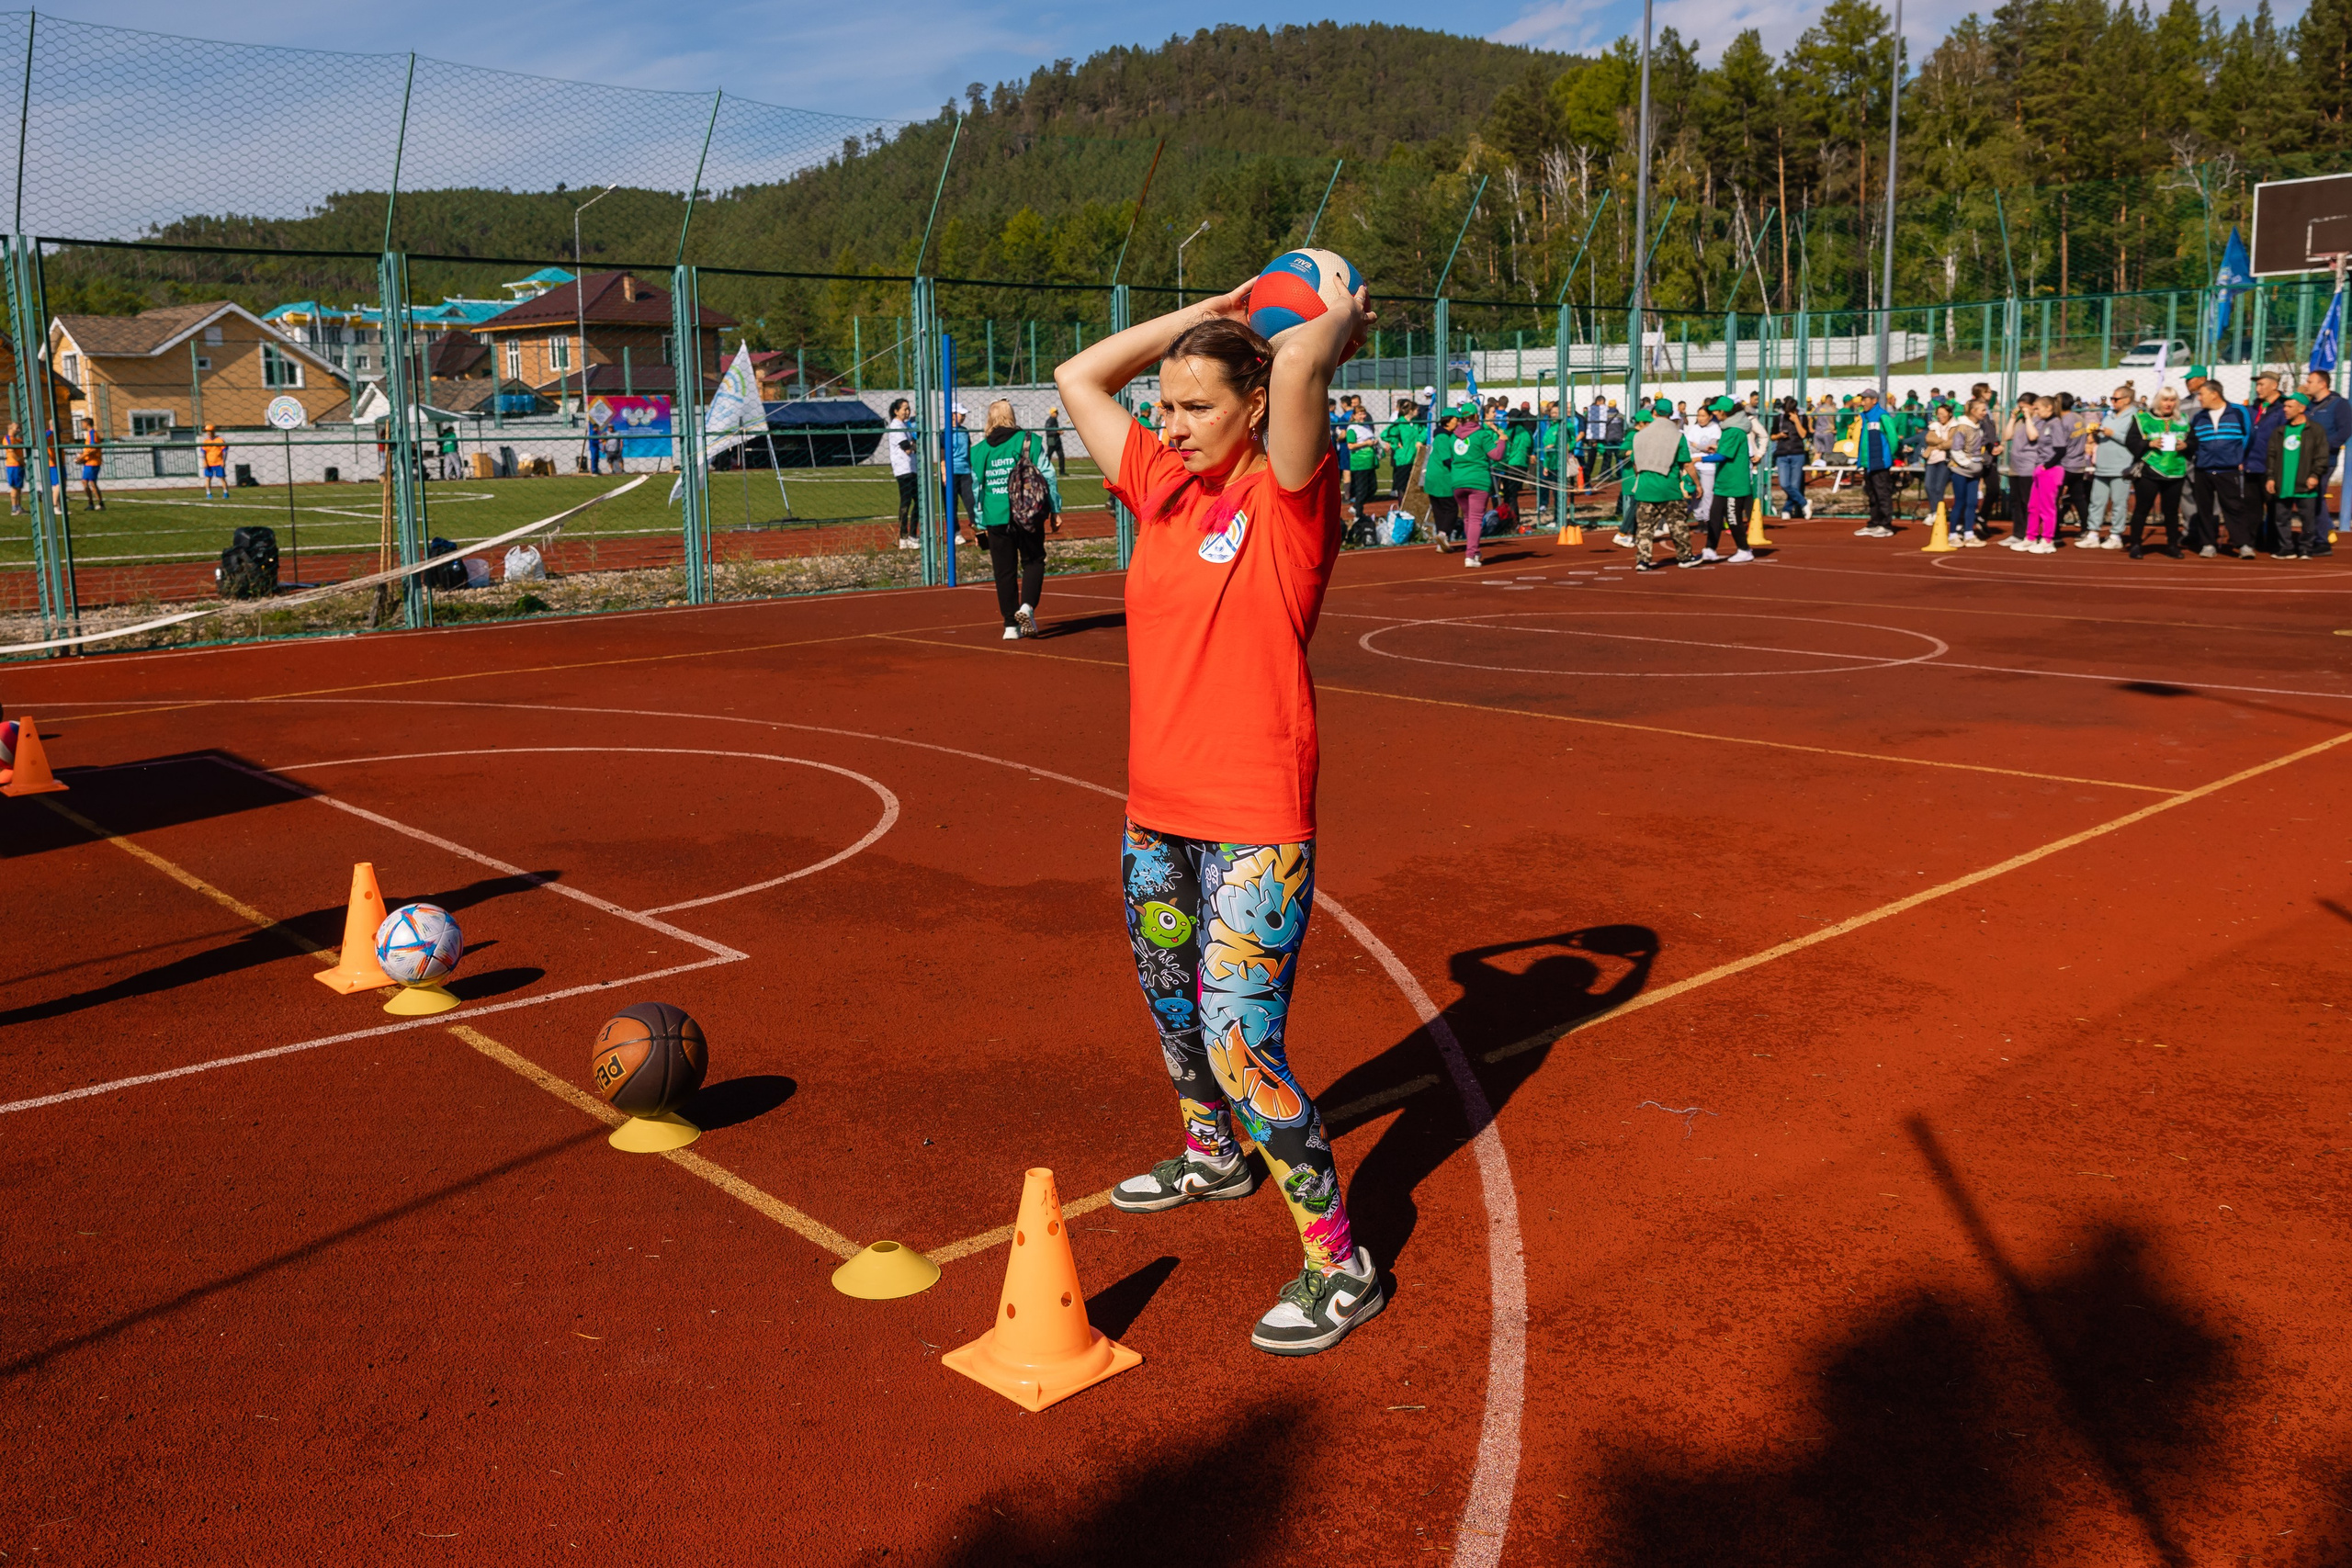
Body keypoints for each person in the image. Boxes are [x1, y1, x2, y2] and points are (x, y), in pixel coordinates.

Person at [1054, 272, 1383, 1356]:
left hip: (1255, 821)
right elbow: (1078, 374)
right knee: (1171, 1009)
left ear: (1251, 409)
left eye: (1196, 405)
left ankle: (1340, 1263)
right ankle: (1214, 1156)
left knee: (1244, 1041)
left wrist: (1328, 319)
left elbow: (1296, 361)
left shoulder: (1287, 499)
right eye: (1166, 405)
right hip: (1157, 815)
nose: (1170, 423)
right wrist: (1218, 301)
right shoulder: (1159, 490)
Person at [971, 398, 1056, 638]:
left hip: (995, 516)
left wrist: (978, 523)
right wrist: (1055, 509)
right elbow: (1048, 476)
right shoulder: (1030, 441)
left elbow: (976, 491)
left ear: (989, 419)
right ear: (1012, 417)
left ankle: (1010, 626)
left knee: (1004, 571)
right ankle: (1027, 607)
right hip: (1028, 513)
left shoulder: (978, 451)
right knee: (1034, 560)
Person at [1627, 399, 1701, 571]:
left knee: (1645, 527)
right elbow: (1687, 463)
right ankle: (1685, 557)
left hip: (1645, 487)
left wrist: (1641, 476)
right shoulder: (1677, 436)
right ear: (1670, 414)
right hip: (1669, 487)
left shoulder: (1640, 435)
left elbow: (1635, 462)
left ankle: (1643, 560)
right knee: (1678, 524)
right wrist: (1697, 483)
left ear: (1654, 413)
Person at [2186, 378, 2256, 558]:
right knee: (2204, 509)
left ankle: (2243, 544)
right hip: (2203, 469)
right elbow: (2193, 441)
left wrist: (2238, 457)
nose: (2199, 398)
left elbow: (2249, 436)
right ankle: (2208, 544)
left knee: (2234, 507)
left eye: (2202, 394)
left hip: (2228, 469)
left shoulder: (2239, 411)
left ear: (2214, 394)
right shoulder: (2198, 417)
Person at [2123, 386, 2191, 558]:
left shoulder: (2183, 419)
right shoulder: (2143, 419)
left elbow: (2194, 441)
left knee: (2171, 511)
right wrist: (2149, 444)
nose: (2168, 403)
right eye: (2165, 399)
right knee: (2142, 509)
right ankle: (2136, 544)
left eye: (2172, 400)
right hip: (2149, 470)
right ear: (2158, 400)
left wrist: (2187, 445)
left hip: (2175, 470)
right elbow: (2131, 441)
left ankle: (2172, 545)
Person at [2265, 390, 2333, 558]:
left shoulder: (2315, 430)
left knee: (2307, 518)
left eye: (2289, 406)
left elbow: (2322, 455)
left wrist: (2315, 475)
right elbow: (2271, 456)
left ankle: (2305, 548)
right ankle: (2286, 548)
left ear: (2301, 408)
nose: (2285, 409)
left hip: (2305, 482)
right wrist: (2271, 477)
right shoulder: (2279, 431)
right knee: (2281, 517)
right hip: (2283, 482)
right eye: (2285, 406)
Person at [2300, 367, 2350, 555]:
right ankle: (2315, 535)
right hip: (2303, 460)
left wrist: (2322, 448)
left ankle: (2321, 539)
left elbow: (2344, 432)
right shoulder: (2308, 405)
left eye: (2310, 382)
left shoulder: (2339, 404)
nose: (2307, 385)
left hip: (2324, 461)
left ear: (2323, 384)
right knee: (2306, 498)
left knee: (2315, 496)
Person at [2080, 385, 2136, 549]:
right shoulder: (2109, 416)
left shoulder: (2134, 417)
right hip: (2102, 465)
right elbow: (2102, 439)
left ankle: (2115, 535)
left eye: (2116, 399)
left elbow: (2133, 441)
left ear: (2127, 400)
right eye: (2112, 398)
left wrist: (2113, 434)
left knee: (2119, 503)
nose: (2112, 401)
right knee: (2097, 501)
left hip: (2121, 466)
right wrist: (2097, 434)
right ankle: (2093, 533)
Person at [1447, 401, 1498, 568]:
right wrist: (1502, 440)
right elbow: (1496, 455)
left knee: (1469, 518)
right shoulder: (1481, 434)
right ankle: (1470, 555)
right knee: (1476, 519)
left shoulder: (1453, 436)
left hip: (1458, 481)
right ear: (1476, 416)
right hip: (1478, 481)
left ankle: (1474, 551)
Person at [2244, 371, 2290, 553]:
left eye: (2262, 384)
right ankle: (2251, 541)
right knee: (2251, 506)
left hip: (2271, 466)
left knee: (2274, 506)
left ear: (2274, 386)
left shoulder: (2283, 409)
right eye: (2257, 384)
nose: (2258, 388)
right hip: (2251, 464)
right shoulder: (2254, 408)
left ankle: (2273, 542)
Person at [1853, 389, 1899, 536]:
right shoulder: (1865, 417)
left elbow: (1893, 438)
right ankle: (1874, 522)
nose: (1863, 402)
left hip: (1879, 462)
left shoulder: (1882, 416)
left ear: (1874, 400)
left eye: (1866, 399)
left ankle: (1886, 525)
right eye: (1862, 399)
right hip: (1868, 462)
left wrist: (1887, 455)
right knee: (1871, 493)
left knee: (1882, 493)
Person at [1945, 400, 1990, 545]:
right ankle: (1953, 535)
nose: (1985, 413)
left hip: (1974, 471)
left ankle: (1969, 533)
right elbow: (1956, 450)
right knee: (1960, 501)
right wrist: (1968, 463)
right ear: (1973, 411)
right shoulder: (1962, 428)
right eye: (1982, 410)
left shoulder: (1979, 427)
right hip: (1961, 470)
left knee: (1972, 502)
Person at [2054, 391, 2093, 540]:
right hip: (2079, 464)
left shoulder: (2062, 421)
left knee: (2054, 499)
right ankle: (2086, 528)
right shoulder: (2079, 418)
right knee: (2078, 497)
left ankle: (2055, 531)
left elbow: (2059, 445)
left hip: (2064, 465)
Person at [885, 398, 919, 549]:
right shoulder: (896, 426)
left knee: (919, 502)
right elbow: (907, 448)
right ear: (896, 411)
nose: (907, 411)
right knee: (906, 502)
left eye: (908, 408)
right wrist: (914, 445)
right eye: (904, 409)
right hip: (903, 470)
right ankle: (904, 537)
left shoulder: (905, 425)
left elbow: (913, 446)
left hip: (911, 468)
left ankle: (912, 535)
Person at [1342, 406, 1380, 539]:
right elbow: (1351, 445)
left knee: (1373, 487)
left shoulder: (1367, 426)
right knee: (1362, 489)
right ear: (1354, 415)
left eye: (1364, 414)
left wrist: (1374, 443)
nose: (1363, 416)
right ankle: (1358, 513)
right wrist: (1366, 443)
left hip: (1370, 462)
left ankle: (1357, 506)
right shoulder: (1352, 428)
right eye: (1360, 414)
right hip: (1359, 462)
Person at [943, 404, 978, 545]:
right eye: (960, 414)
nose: (963, 417)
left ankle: (978, 531)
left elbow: (968, 452)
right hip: (951, 472)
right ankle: (956, 533)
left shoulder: (965, 431)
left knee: (972, 503)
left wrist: (972, 468)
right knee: (951, 505)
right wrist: (944, 472)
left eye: (964, 414)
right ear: (952, 414)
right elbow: (942, 454)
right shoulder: (945, 432)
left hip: (965, 472)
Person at [1770, 396, 1809, 519]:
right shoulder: (1779, 418)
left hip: (1797, 453)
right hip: (1782, 454)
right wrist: (1779, 435)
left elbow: (1803, 435)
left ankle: (1787, 509)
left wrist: (1796, 420)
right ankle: (1804, 503)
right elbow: (1772, 436)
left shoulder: (1802, 417)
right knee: (1785, 484)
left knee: (1795, 485)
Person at [1424, 410, 1458, 548]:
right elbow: (1447, 460)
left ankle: (1441, 541)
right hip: (1441, 478)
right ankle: (1443, 534)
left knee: (1439, 509)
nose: (1458, 421)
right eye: (1456, 419)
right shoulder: (1443, 437)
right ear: (1449, 421)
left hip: (1433, 478)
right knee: (1451, 509)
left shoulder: (1441, 436)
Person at [1920, 400, 1954, 527]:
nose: (1940, 416)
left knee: (1939, 487)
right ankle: (1935, 511)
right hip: (1931, 459)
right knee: (1929, 486)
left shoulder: (1954, 426)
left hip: (1945, 460)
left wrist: (1939, 444)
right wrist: (1942, 443)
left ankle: (1938, 513)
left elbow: (1952, 442)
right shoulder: (1934, 426)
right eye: (1938, 414)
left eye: (1942, 413)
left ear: (1949, 413)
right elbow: (1929, 438)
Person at [1383, 400, 1422, 504]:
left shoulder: (1417, 422)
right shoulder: (1399, 423)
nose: (1418, 411)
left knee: (1416, 485)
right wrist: (1395, 442)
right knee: (1402, 486)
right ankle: (1402, 507)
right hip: (1403, 458)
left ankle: (1413, 507)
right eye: (1416, 409)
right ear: (1411, 410)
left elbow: (1424, 431)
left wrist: (1420, 441)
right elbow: (1385, 434)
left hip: (1415, 458)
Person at [75, 424, 103, 511]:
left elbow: (93, 448)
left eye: (82, 423)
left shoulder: (92, 433)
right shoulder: (90, 433)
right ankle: (92, 504)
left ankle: (100, 504)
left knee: (91, 483)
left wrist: (82, 457)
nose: (81, 425)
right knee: (85, 482)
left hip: (92, 463)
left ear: (86, 424)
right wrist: (82, 456)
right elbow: (89, 449)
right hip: (89, 462)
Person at [199, 423, 228, 500]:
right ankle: (208, 493)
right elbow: (203, 453)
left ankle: (225, 493)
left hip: (218, 462)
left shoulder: (220, 440)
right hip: (209, 463)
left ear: (212, 431)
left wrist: (223, 461)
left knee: (222, 478)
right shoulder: (206, 441)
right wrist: (204, 461)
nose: (207, 433)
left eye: (208, 431)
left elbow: (224, 451)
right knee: (208, 478)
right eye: (206, 431)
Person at [2, 423, 21, 514]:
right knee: (15, 487)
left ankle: (18, 507)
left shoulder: (16, 439)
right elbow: (11, 451)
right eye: (17, 428)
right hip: (13, 465)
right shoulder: (8, 439)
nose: (19, 429)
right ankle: (14, 509)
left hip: (19, 465)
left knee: (19, 487)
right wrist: (20, 460)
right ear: (10, 429)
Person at [1044, 405, 1068, 477]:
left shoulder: (1055, 420)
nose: (1056, 414)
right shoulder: (1049, 421)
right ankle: (1044, 470)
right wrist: (1057, 431)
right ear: (1051, 413)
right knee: (1049, 456)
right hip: (1051, 441)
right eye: (1055, 412)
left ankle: (1062, 471)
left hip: (1057, 441)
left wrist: (1059, 431)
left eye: (1056, 412)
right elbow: (1048, 432)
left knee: (1061, 456)